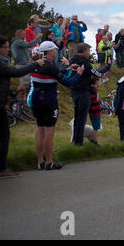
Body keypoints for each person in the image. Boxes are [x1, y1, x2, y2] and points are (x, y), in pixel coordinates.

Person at [0, 34, 44, 178]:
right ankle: (2, 170)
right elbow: (15, 72)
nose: (8, 50)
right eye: (5, 47)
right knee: (4, 136)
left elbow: (1, 80)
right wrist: (35, 64)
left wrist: (10, 93)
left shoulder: (0, 61)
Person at [31, 41, 84, 170]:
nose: (56, 52)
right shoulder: (51, 66)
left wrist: (66, 69)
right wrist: (78, 74)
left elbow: (53, 73)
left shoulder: (36, 64)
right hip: (49, 101)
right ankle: (49, 162)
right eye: (55, 50)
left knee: (39, 130)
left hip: (36, 99)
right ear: (50, 51)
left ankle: (40, 162)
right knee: (49, 132)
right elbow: (68, 83)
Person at [69, 43, 112, 146]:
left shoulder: (72, 60)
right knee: (81, 120)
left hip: (74, 92)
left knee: (78, 118)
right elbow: (98, 74)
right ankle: (78, 143)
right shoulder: (84, 63)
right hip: (83, 92)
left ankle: (76, 141)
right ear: (84, 51)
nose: (89, 53)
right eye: (88, 51)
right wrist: (108, 65)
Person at [11, 30, 42, 102]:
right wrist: (37, 38)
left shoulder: (16, 42)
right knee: (24, 83)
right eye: (23, 34)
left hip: (22, 64)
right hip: (22, 64)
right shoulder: (18, 41)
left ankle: (23, 100)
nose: (25, 35)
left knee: (25, 82)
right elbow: (29, 45)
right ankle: (18, 100)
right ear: (18, 35)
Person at [89, 77, 102, 146]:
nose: (101, 82)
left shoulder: (94, 90)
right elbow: (92, 101)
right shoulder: (93, 90)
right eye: (100, 81)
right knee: (96, 127)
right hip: (94, 111)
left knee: (96, 126)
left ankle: (93, 139)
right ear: (96, 81)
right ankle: (94, 141)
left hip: (96, 110)